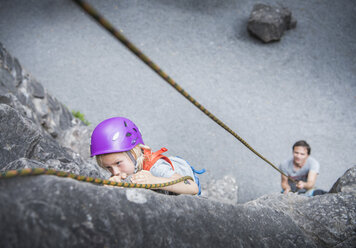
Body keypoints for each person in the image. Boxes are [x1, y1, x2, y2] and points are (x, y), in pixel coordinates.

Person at [90, 117, 205, 195]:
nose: (115, 172)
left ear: (135, 152)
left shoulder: (157, 168)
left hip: (182, 179)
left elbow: (192, 187)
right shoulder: (126, 167)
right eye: (108, 167)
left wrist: (153, 180)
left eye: (118, 163)